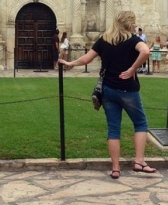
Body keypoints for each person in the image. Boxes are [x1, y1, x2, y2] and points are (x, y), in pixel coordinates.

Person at [58, 11, 155, 179]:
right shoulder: (133, 40)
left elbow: (86, 59)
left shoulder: (105, 40)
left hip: (108, 89)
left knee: (113, 128)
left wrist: (70, 63)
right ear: (129, 24)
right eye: (134, 22)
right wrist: (132, 69)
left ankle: (116, 168)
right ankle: (139, 161)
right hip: (128, 89)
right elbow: (145, 52)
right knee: (140, 123)